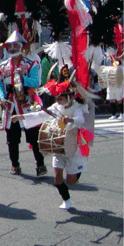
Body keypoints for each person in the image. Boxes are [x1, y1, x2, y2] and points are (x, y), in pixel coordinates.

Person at [13, 76, 91, 210]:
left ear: (70, 96)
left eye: (61, 97)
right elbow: (41, 115)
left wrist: (70, 120)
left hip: (73, 148)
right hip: (58, 144)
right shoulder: (56, 106)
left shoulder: (77, 107)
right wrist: (21, 116)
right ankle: (66, 200)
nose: (58, 99)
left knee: (71, 181)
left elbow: (80, 120)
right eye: (57, 97)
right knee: (58, 179)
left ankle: (77, 172)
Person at [0, 30, 47, 177]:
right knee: (12, 138)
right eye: (9, 46)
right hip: (11, 105)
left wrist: (22, 80)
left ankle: (40, 164)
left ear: (21, 47)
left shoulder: (30, 64)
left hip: (26, 104)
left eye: (15, 46)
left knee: (33, 137)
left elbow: (37, 81)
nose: (12, 49)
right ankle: (15, 164)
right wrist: (1, 96)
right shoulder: (3, 66)